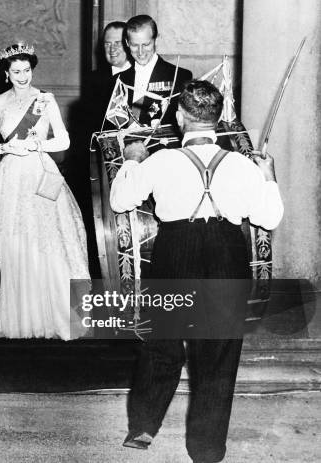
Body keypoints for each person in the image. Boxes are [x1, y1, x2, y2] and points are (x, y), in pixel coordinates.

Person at [110, 80, 284, 462]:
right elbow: (269, 217)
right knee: (218, 352)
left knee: (162, 342)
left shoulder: (162, 160)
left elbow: (120, 199)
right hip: (226, 252)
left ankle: (142, 426)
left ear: (179, 117)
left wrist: (133, 159)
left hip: (176, 250)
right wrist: (269, 175)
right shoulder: (242, 165)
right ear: (219, 119)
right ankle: (206, 450)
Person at [0, 43, 90, 340]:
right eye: (16, 71)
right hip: (9, 175)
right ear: (6, 74)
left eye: (27, 70)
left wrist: (38, 145)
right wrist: (7, 147)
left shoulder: (44, 100)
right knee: (7, 236)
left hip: (40, 173)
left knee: (47, 238)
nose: (22, 76)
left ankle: (56, 312)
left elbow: (65, 141)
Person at [114, 15, 192, 128]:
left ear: (156, 40)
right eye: (135, 45)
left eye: (146, 44)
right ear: (127, 42)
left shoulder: (180, 77)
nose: (140, 52)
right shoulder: (118, 79)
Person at [88, 21, 132, 130]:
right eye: (107, 44)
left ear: (128, 44)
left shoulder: (140, 75)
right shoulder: (93, 80)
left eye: (118, 43)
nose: (112, 49)